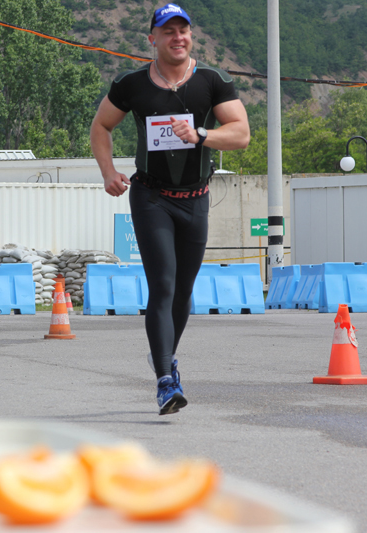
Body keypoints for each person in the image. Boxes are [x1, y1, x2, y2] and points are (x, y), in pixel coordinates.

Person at [90, 3, 250, 415]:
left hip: (195, 199)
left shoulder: (213, 81)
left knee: (183, 292)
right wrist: (108, 172)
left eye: (183, 31)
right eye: (168, 31)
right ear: (153, 39)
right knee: (162, 284)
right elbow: (101, 126)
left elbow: (241, 134)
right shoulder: (131, 84)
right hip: (151, 197)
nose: (178, 38)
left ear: (191, 36)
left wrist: (200, 134)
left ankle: (164, 357)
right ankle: (165, 379)